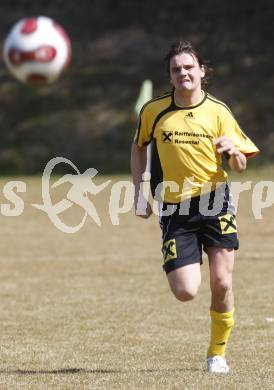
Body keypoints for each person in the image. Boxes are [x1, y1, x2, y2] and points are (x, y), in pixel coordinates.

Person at [131, 40, 259, 373]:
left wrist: (232, 151)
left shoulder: (219, 111)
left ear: (202, 71)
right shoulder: (153, 111)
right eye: (176, 69)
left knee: (222, 282)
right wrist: (139, 192)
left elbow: (242, 165)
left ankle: (217, 353)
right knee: (186, 291)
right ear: (170, 76)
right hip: (174, 207)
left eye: (189, 67)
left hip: (216, 201)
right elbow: (139, 147)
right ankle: (189, 260)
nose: (183, 73)